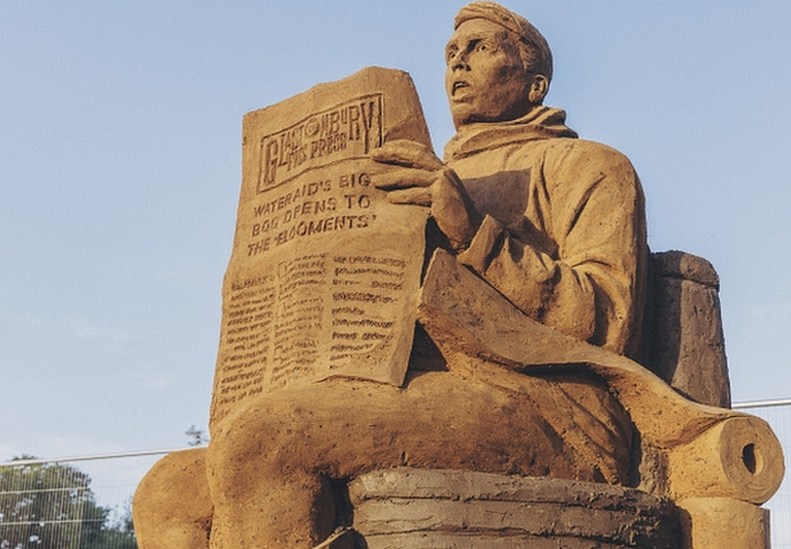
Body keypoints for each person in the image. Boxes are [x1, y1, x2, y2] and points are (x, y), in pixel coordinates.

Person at [135, 4, 649, 548]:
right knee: (170, 487)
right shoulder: (410, 171)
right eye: (451, 54)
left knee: (270, 437)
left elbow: (604, 320)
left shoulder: (588, 165)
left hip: (545, 406)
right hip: (400, 385)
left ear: (534, 84)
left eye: (480, 49)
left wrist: (471, 230)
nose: (458, 64)